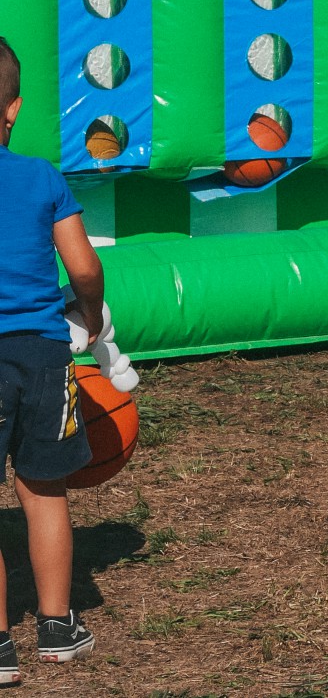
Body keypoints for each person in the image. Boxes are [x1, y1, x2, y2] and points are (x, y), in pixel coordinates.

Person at [0, 37, 102, 680]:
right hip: (41, 355)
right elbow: (84, 267)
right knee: (44, 493)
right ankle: (58, 627)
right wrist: (90, 318)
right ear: (11, 110)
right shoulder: (41, 177)